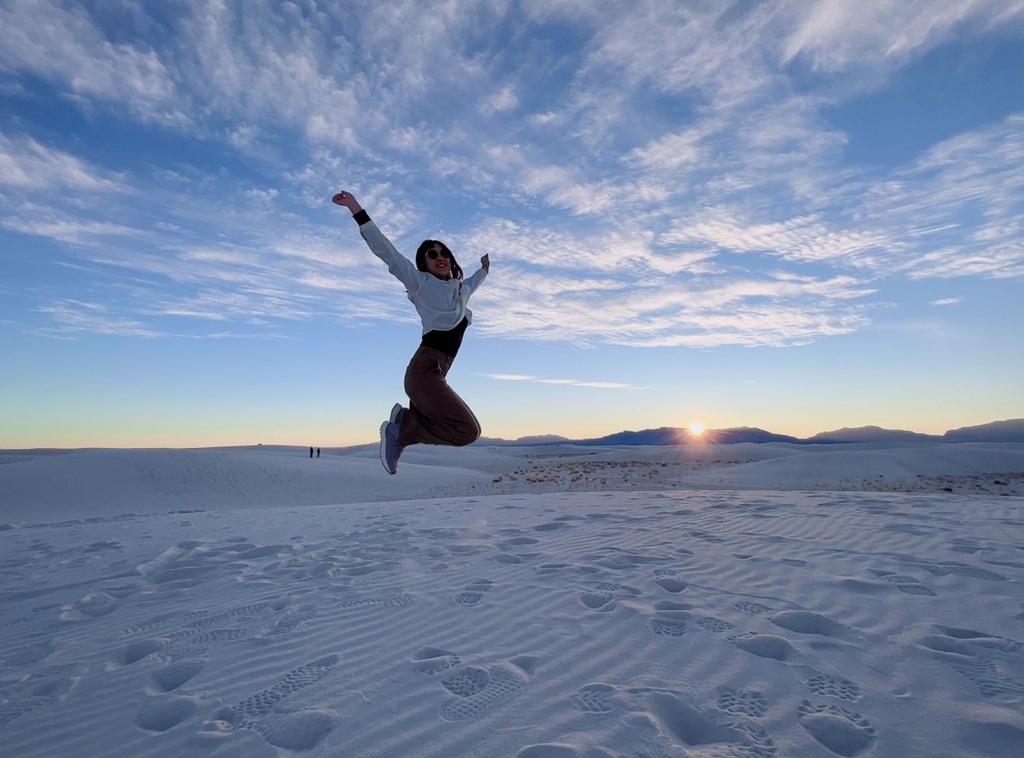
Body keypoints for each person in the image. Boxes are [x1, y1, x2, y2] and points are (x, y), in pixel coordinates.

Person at [332, 190, 490, 474]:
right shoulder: (419, 282)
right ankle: (404, 429)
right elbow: (386, 250)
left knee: (470, 431)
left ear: (452, 261)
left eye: (444, 253)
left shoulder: (459, 291)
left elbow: (473, 283)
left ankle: (407, 424)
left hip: (436, 373)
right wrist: (356, 209)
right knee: (466, 430)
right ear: (424, 263)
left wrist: (485, 270)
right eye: (432, 254)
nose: (438, 257)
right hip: (424, 371)